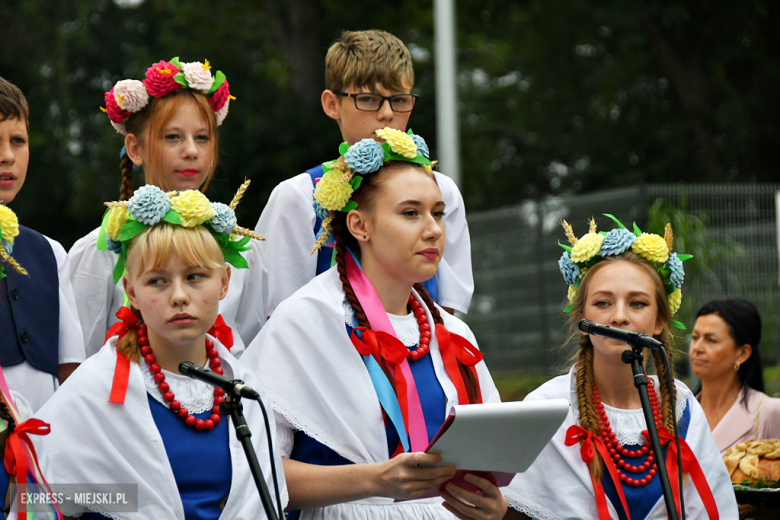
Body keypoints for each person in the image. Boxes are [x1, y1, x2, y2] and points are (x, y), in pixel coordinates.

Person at [242, 133, 508, 519]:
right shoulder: (306, 319)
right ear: (359, 225)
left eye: (437, 212)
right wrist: (374, 481)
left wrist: (493, 507)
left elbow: (492, 454)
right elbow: (257, 471)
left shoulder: (453, 332)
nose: (433, 229)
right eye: (411, 213)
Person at [33, 187, 287, 519]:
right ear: (130, 291)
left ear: (224, 281)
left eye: (195, 276)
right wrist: (123, 503)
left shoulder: (245, 390)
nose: (179, 296)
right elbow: (36, 501)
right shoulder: (96, 389)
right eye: (157, 281)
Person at [504, 216, 737, 519]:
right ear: (582, 320)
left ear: (660, 321)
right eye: (602, 303)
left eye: (637, 303)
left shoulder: (681, 404)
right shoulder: (546, 407)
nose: (619, 317)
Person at [256, 30, 473, 317]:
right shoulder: (298, 195)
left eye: (399, 100)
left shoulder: (440, 190)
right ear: (332, 104)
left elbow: (447, 309)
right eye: (369, 99)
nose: (386, 114)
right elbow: (279, 312)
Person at [68, 57, 265, 358]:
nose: (191, 150)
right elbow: (77, 357)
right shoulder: (100, 251)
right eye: (173, 137)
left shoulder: (242, 250)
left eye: (202, 137)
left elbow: (252, 350)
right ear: (135, 148)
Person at [0, 76, 85, 412]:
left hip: (42, 446)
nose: (7, 156)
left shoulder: (50, 252)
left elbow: (70, 368)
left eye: (18, 141)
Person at [690, 299, 780, 453]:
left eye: (711, 340)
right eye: (695, 337)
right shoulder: (678, 412)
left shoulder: (767, 413)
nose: (697, 347)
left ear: (742, 353)